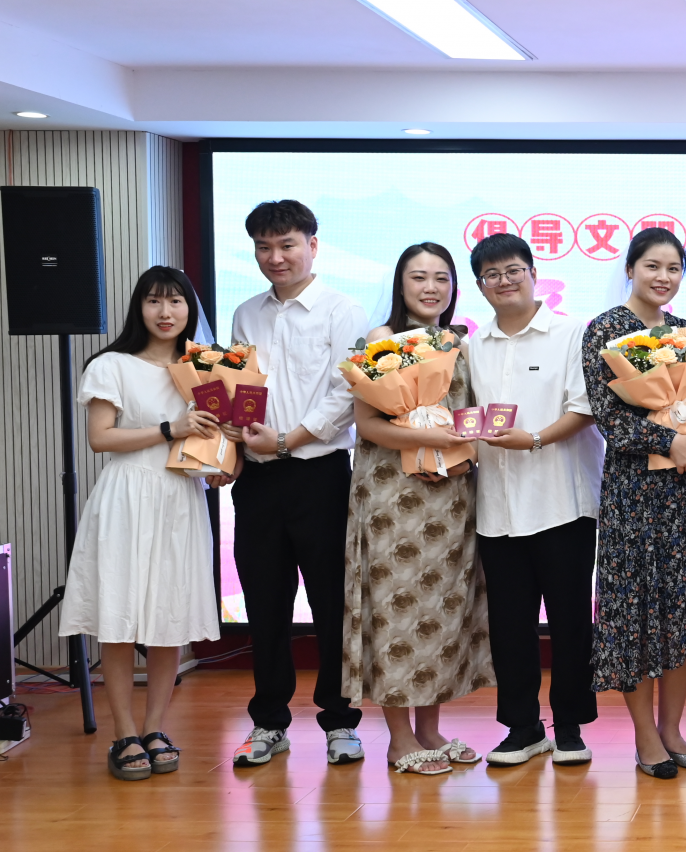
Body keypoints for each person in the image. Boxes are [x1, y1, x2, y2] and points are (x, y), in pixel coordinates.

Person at [62, 266, 227, 780]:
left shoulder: (206, 369)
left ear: (190, 310)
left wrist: (223, 464)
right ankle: (123, 732)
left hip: (180, 497)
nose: (165, 312)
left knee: (166, 617)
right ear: (139, 308)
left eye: (176, 302)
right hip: (127, 496)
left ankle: (155, 728)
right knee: (118, 616)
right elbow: (101, 438)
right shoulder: (111, 365)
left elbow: (221, 439)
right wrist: (169, 428)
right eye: (154, 301)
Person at [341, 243, 494, 776]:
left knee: (440, 613)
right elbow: (367, 424)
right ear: (400, 284)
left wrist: (461, 453)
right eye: (419, 277)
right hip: (393, 497)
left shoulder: (460, 343)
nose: (431, 288)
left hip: (451, 495)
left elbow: (469, 418)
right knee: (395, 610)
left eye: (441, 278)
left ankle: (430, 730)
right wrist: (427, 440)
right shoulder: (381, 341)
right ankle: (399, 739)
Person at [584, 228, 686, 778]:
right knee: (638, 611)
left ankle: (673, 729)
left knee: (684, 610)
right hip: (635, 492)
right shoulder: (605, 330)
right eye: (652, 266)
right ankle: (645, 736)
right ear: (630, 268)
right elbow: (608, 416)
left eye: (673, 268)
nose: (663, 277)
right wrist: (668, 440)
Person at [228, 200, 368, 768]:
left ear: (313, 245)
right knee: (265, 605)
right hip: (258, 480)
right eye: (264, 247)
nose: (276, 257)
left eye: (287, 244)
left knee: (332, 604)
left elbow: (346, 394)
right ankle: (269, 722)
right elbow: (240, 387)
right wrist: (236, 440)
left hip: (320, 476)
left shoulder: (343, 310)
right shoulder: (246, 313)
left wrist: (286, 440)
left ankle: (340, 723)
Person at [462, 232, 605, 769]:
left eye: (513, 270)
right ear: (481, 285)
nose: (504, 281)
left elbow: (584, 409)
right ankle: (522, 728)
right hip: (498, 505)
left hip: (562, 500)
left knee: (570, 622)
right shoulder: (472, 346)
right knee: (509, 625)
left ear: (533, 273)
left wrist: (535, 439)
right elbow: (466, 417)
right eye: (492, 275)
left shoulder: (571, 334)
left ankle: (569, 726)